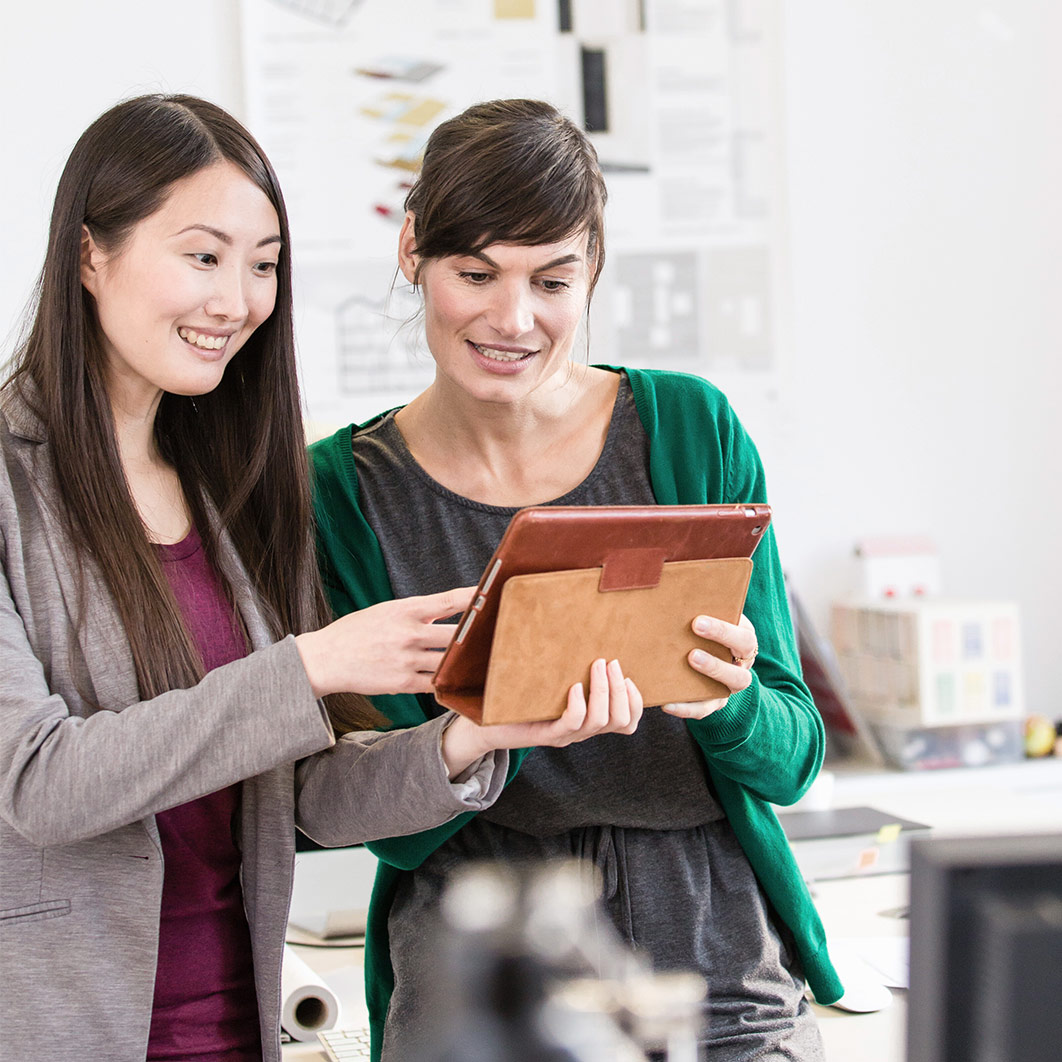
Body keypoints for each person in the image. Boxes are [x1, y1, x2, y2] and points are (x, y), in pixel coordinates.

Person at [0, 94, 643, 1062]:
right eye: (204, 256)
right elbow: (41, 783)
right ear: (91, 253)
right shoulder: (12, 485)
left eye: (263, 267)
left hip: (236, 1025)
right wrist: (307, 666)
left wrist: (473, 734)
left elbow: (297, 794)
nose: (237, 301)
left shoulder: (231, 488)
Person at [308, 98, 844, 1061]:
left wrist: (725, 705)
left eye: (551, 280)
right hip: (474, 941)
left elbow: (793, 759)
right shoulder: (341, 492)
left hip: (711, 944)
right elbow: (364, 816)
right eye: (475, 274)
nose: (511, 319)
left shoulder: (690, 431)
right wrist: (475, 735)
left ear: (594, 269)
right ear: (412, 252)